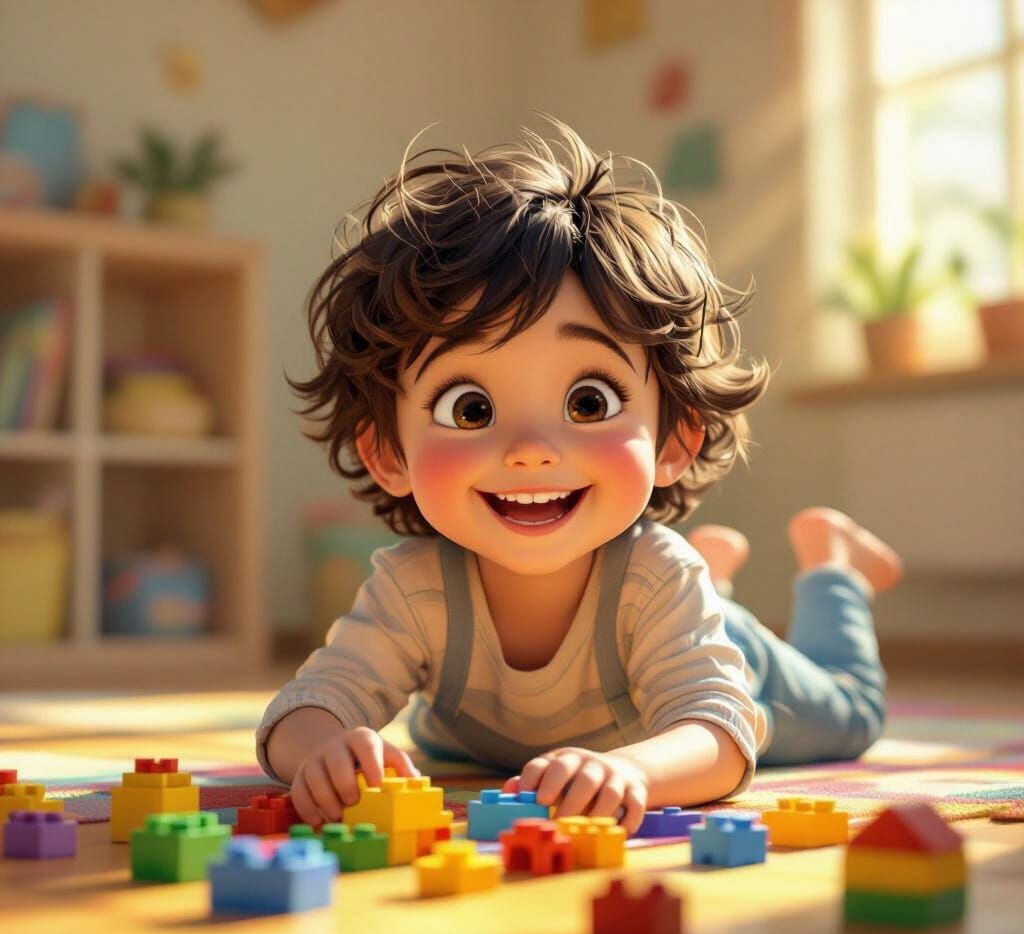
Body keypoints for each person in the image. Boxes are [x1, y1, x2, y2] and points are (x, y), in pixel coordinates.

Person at [257, 116, 901, 833]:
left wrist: (633, 769)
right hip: (655, 624)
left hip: (728, 660)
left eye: (587, 402)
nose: (531, 450)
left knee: (851, 713)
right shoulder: (412, 589)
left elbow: (719, 735)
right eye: (470, 409)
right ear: (388, 454)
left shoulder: (655, 575)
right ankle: (714, 580)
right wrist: (324, 751)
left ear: (673, 440)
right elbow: (308, 705)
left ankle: (832, 567)